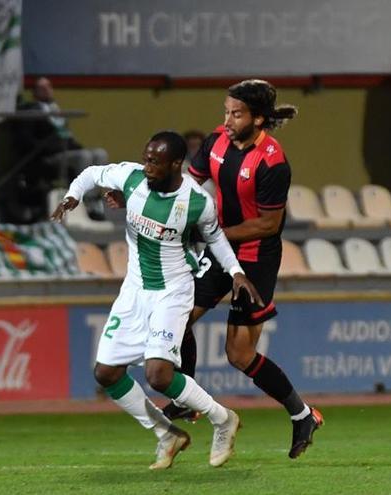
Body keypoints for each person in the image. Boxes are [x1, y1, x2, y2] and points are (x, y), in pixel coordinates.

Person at [51, 130, 262, 470]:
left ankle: (223, 419)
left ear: (176, 164)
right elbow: (91, 174)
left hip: (173, 292)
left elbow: (216, 239)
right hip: (134, 290)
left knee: (159, 375)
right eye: (146, 158)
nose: (147, 165)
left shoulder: (196, 202)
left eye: (155, 161)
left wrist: (236, 272)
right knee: (105, 373)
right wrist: (73, 195)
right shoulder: (131, 178)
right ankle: (167, 434)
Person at [164, 79, 323, 460]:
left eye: (236, 114)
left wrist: (212, 232)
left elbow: (268, 225)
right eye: (226, 112)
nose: (228, 120)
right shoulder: (217, 141)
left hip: (254, 259)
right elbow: (190, 183)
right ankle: (187, 397)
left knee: (238, 353)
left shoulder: (272, 161)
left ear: (258, 118)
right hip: (221, 251)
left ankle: (303, 415)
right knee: (179, 319)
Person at [16, 76, 109, 186]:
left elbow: (65, 134)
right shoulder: (32, 112)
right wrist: (51, 147)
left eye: (48, 86)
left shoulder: (55, 109)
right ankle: (82, 196)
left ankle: (94, 196)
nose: (46, 90)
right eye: (42, 88)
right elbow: (28, 140)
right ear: (35, 92)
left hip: (66, 150)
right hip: (50, 155)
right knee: (83, 156)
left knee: (100, 154)